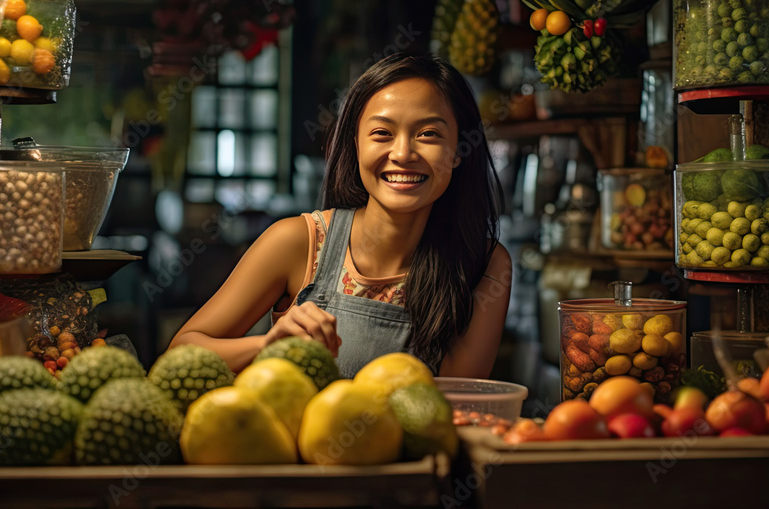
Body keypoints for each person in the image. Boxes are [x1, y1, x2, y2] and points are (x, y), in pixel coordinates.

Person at [170, 52, 512, 379]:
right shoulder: (298, 242)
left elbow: (461, 400)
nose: (403, 153)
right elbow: (180, 355)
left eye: (429, 134)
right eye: (382, 133)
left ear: (458, 151)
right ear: (355, 144)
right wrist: (266, 346)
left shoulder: (484, 265)